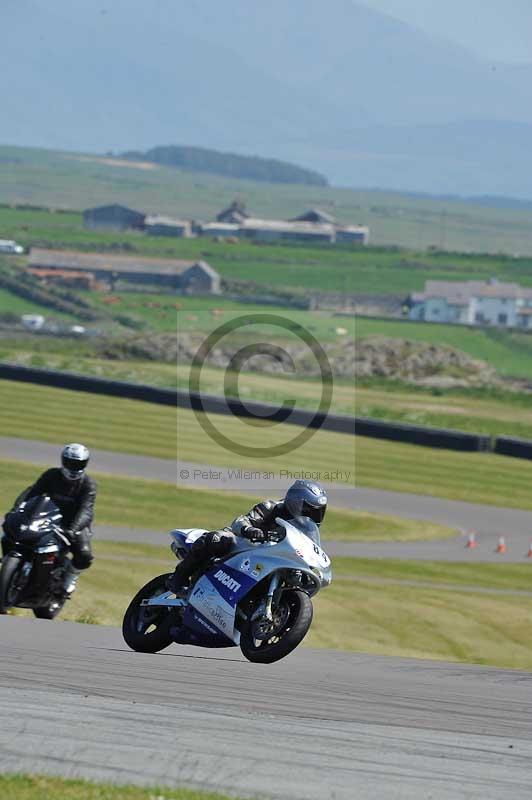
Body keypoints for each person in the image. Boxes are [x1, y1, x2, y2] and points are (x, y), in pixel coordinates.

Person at [166, 479, 327, 594]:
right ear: (294, 502)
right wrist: (249, 530)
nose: (313, 515)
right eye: (309, 510)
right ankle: (177, 579)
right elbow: (241, 521)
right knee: (217, 539)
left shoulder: (308, 532)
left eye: (318, 511)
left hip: (272, 559)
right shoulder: (271, 507)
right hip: (244, 544)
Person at [2, 443, 96, 594]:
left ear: (85, 463)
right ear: (63, 461)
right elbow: (31, 493)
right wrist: (17, 510)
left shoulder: (88, 484)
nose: (73, 467)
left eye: (78, 464)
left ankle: (70, 577)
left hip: (73, 524)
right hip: (46, 516)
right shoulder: (51, 475)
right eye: (70, 463)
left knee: (85, 554)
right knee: (10, 533)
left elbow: (86, 510)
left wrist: (72, 529)